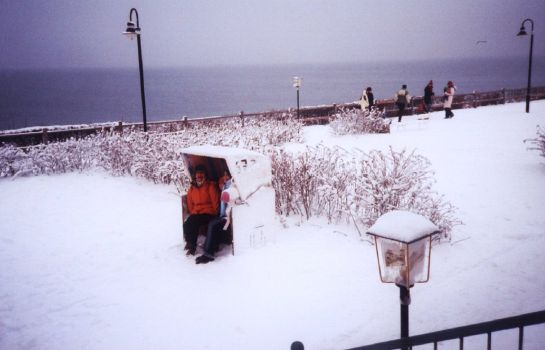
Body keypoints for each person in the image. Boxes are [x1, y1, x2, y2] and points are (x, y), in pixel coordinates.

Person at [196, 169, 233, 264]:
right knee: (211, 222)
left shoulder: (230, 188)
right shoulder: (223, 187)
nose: (222, 182)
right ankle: (211, 246)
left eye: (226, 177)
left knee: (213, 224)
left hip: (228, 215)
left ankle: (209, 255)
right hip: (222, 214)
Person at [183, 165, 220, 256]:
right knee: (187, 223)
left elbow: (215, 202)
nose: (199, 175)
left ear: (205, 175)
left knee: (193, 221)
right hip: (197, 214)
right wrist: (194, 212)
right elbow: (190, 203)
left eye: (201, 173)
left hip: (209, 213)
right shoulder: (192, 188)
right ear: (195, 175)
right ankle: (189, 242)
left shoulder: (210, 186)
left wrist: (215, 214)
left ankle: (192, 247)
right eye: (198, 173)